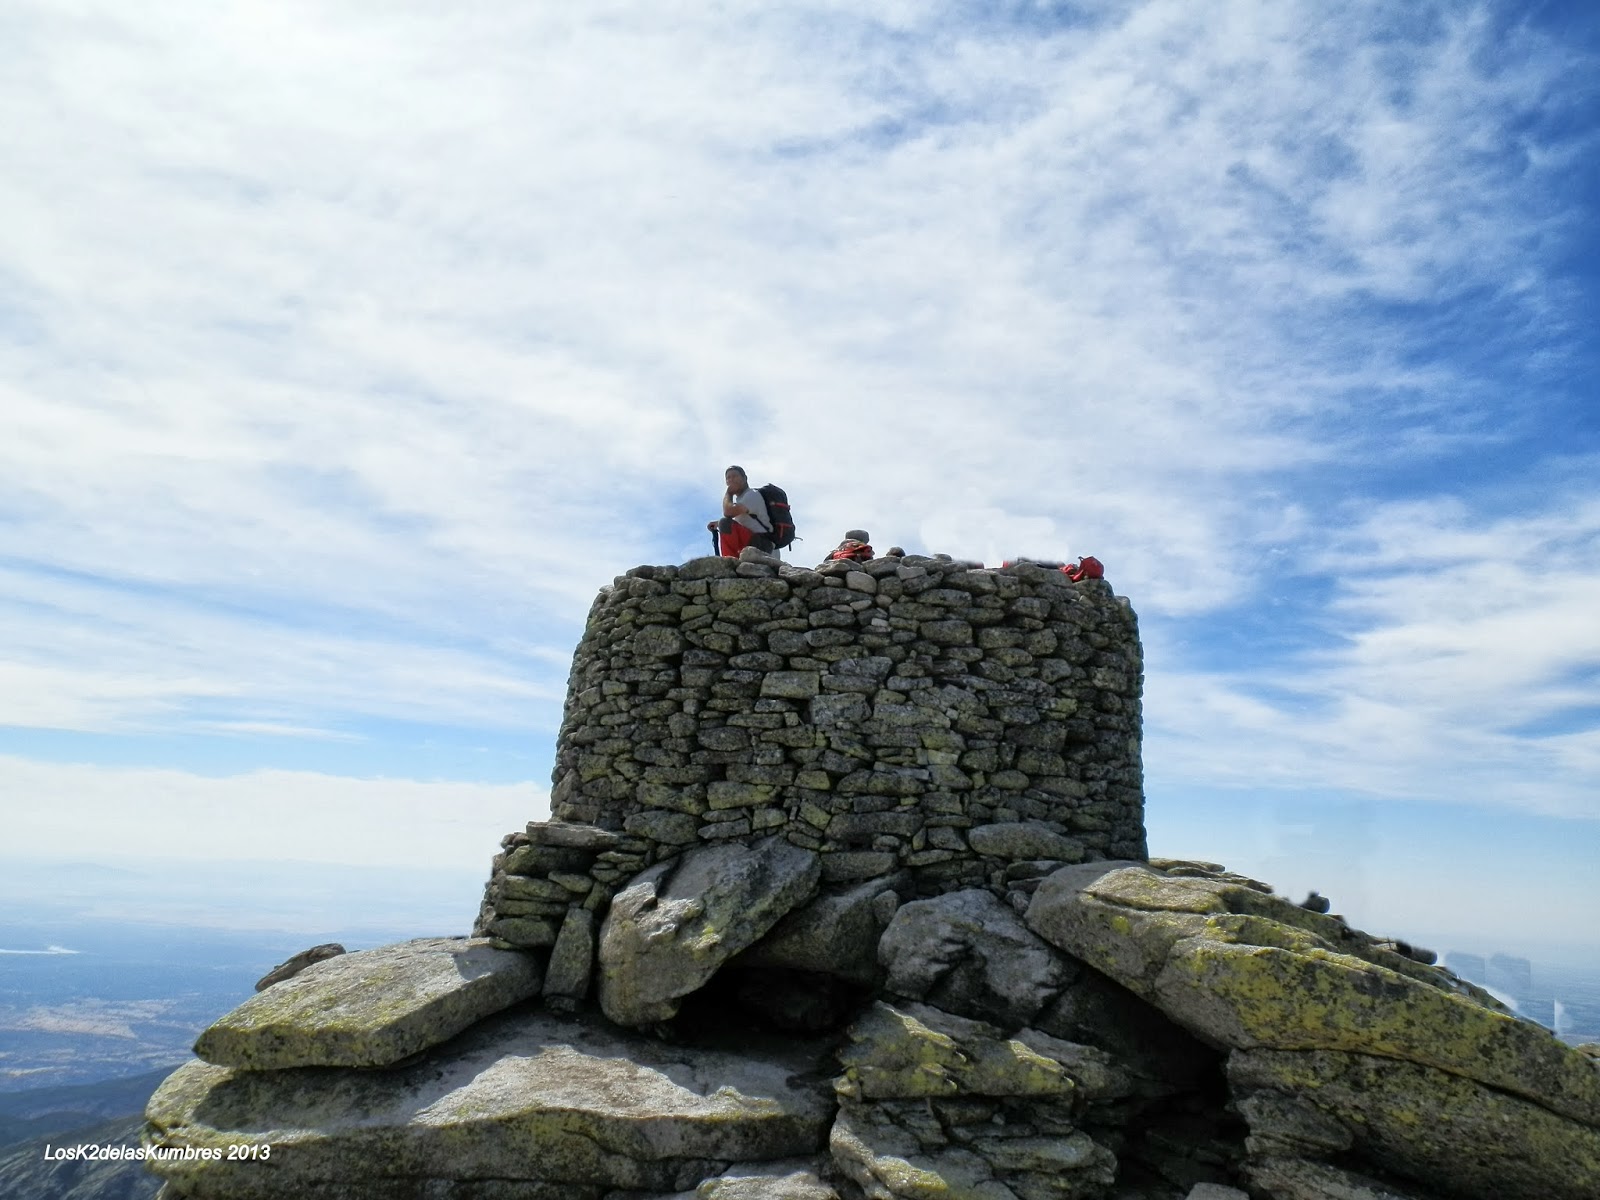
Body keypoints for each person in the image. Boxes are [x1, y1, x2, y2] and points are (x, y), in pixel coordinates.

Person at [707, 465, 775, 557]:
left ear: (745, 478)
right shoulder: (742, 501)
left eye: (734, 476)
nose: (731, 480)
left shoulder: (752, 495)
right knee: (723, 522)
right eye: (728, 478)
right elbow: (742, 521)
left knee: (725, 522)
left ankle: (730, 561)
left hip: (762, 544)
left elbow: (728, 512)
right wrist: (718, 523)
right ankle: (733, 560)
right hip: (758, 543)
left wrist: (729, 493)